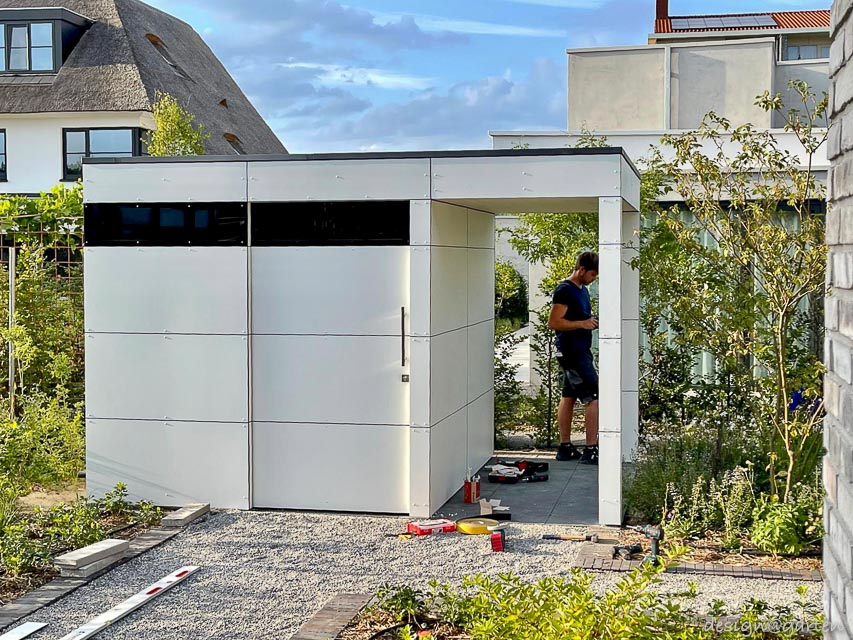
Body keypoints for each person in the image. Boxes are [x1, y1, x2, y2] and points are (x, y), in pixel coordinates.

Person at [547, 251, 599, 464]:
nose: (594, 279)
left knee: (569, 395)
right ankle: (590, 449)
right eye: (593, 275)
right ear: (582, 270)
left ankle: (565, 447)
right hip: (571, 352)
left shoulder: (582, 290)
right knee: (594, 397)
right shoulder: (564, 290)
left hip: (580, 350)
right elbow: (554, 322)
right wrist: (582, 324)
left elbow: (579, 317)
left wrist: (591, 321)